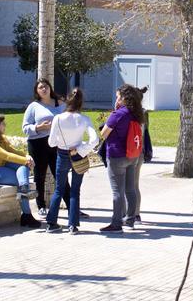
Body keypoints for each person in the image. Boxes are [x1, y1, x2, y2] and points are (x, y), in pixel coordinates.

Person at [44, 88, 99, 234]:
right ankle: (72, 225)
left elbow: (51, 143)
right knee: (75, 191)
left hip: (62, 154)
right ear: (81, 102)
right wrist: (81, 148)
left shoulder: (58, 118)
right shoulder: (84, 119)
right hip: (77, 155)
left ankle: (51, 223)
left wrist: (62, 142)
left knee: (59, 189)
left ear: (67, 100)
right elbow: (95, 140)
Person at [0, 113, 39, 228]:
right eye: (2, 123)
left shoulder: (1, 137)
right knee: (21, 178)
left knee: (23, 171)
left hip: (3, 165)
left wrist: (27, 156)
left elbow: (12, 150)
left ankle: (24, 190)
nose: (5, 125)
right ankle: (27, 215)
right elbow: (6, 155)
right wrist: (26, 161)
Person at [98, 84, 145, 233]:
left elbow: (104, 133)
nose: (117, 99)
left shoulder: (118, 114)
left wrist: (115, 110)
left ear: (125, 98)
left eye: (118, 96)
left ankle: (116, 223)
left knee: (117, 191)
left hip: (117, 155)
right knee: (130, 189)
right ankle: (130, 220)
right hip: (132, 155)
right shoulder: (136, 113)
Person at [22, 78, 62, 217]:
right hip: (38, 143)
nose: (44, 89)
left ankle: (71, 205)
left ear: (50, 88)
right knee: (40, 176)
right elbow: (25, 128)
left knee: (60, 175)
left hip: (56, 143)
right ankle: (41, 205)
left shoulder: (60, 104)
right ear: (37, 91)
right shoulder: (34, 106)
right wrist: (39, 128)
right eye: (40, 88)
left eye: (45, 86)